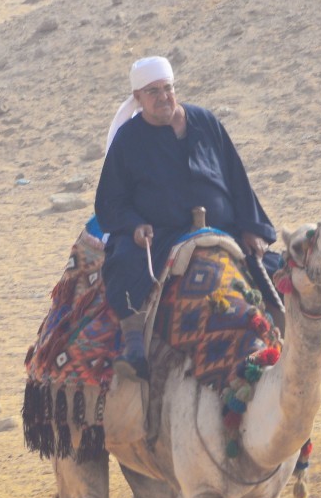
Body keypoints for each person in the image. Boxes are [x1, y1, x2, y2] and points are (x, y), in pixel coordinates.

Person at [96, 55, 274, 379]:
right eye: (153, 92)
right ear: (138, 98)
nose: (164, 97)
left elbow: (236, 177)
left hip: (224, 228)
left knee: (283, 270)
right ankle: (134, 346)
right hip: (161, 235)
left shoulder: (204, 121)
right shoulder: (128, 140)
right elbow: (111, 201)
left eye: (168, 88)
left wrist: (252, 227)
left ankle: (291, 342)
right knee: (122, 262)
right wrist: (135, 226)